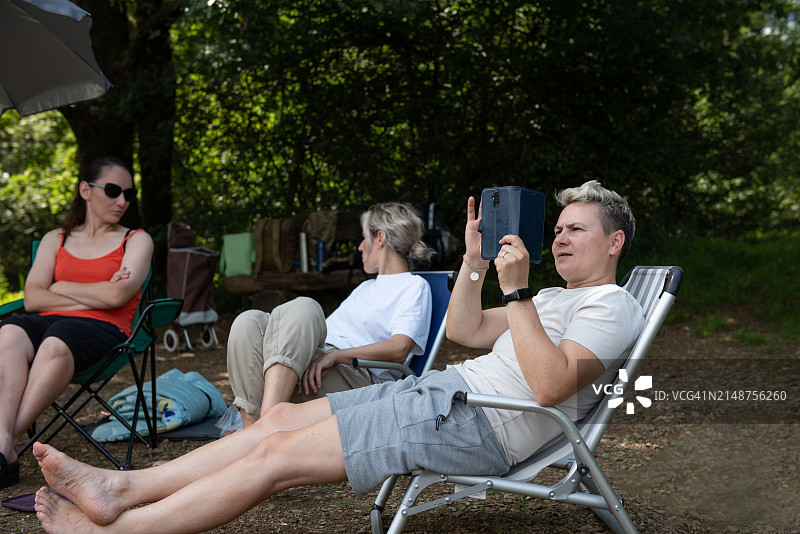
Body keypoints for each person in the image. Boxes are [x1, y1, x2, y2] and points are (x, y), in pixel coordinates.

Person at [32, 180, 644, 534]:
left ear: (613, 242)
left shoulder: (611, 305)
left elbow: (546, 387)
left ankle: (118, 528)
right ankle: (120, 486)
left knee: (277, 456)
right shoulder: (557, 297)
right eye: (558, 229)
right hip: (445, 394)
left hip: (475, 420)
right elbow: (464, 327)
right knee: (274, 421)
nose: (560, 237)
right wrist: (477, 263)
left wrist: (515, 293)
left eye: (577, 230)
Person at [0, 157, 153, 490]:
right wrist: (97, 292)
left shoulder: (137, 240)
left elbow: (117, 299)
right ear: (85, 189)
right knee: (9, 332)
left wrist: (59, 287)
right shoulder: (56, 238)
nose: (122, 201)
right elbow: (32, 300)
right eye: (113, 190)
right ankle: (3, 441)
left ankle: (4, 444)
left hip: (107, 331)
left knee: (58, 338)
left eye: (129, 193)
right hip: (52, 322)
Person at [227, 202, 434, 427]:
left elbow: (399, 349)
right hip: (316, 362)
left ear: (380, 238)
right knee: (249, 322)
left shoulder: (414, 286)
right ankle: (252, 425)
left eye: (364, 238)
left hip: (354, 376)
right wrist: (324, 355)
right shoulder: (364, 289)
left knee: (305, 306)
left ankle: (264, 427)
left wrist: (336, 356)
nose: (360, 247)